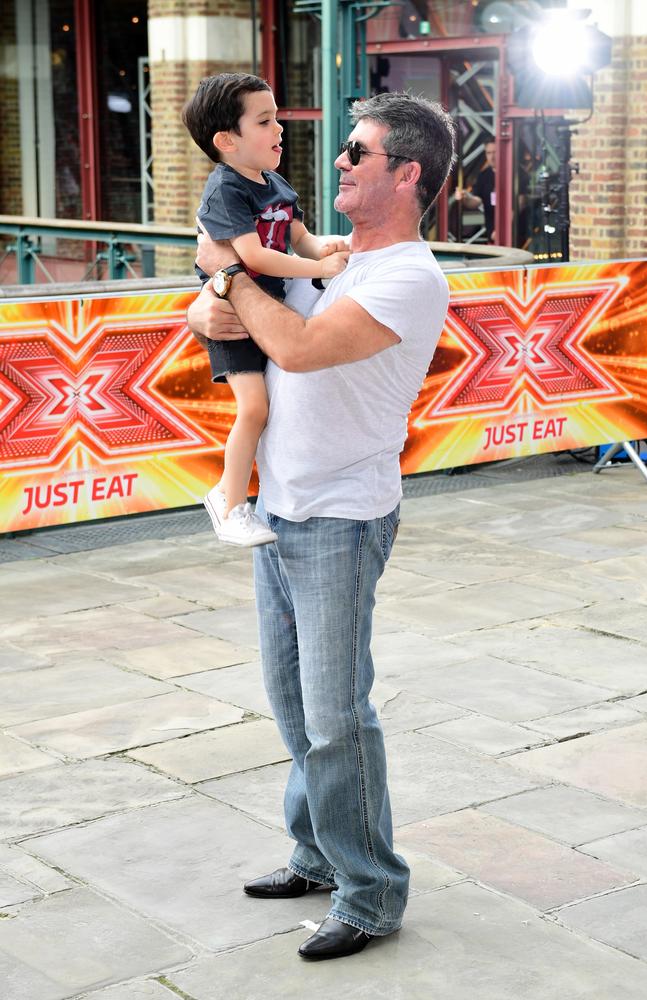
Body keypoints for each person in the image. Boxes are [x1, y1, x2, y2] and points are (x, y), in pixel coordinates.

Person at [188, 91, 455, 961]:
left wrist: (226, 271)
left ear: (406, 174)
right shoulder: (330, 263)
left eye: (358, 152)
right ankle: (315, 854)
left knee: (339, 716)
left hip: (342, 518)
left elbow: (293, 348)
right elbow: (215, 322)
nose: (336, 162)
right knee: (294, 707)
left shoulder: (409, 275)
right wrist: (215, 295)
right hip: (280, 506)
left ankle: (372, 892)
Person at [182, 73, 349, 547]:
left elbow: (300, 235)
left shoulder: (273, 182)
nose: (280, 129)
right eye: (265, 121)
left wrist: (324, 250)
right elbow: (252, 257)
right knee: (254, 407)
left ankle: (244, 496)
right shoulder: (226, 190)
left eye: (276, 118)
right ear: (226, 140)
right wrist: (316, 266)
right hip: (233, 319)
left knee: (269, 406)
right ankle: (229, 501)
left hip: (267, 312)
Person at [455, 138, 496, 242]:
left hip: (515, 235)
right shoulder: (484, 176)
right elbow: (476, 201)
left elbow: (520, 203)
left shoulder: (516, 173)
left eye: (495, 152)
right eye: (489, 153)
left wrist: (502, 229)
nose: (492, 157)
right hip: (492, 235)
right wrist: (465, 197)